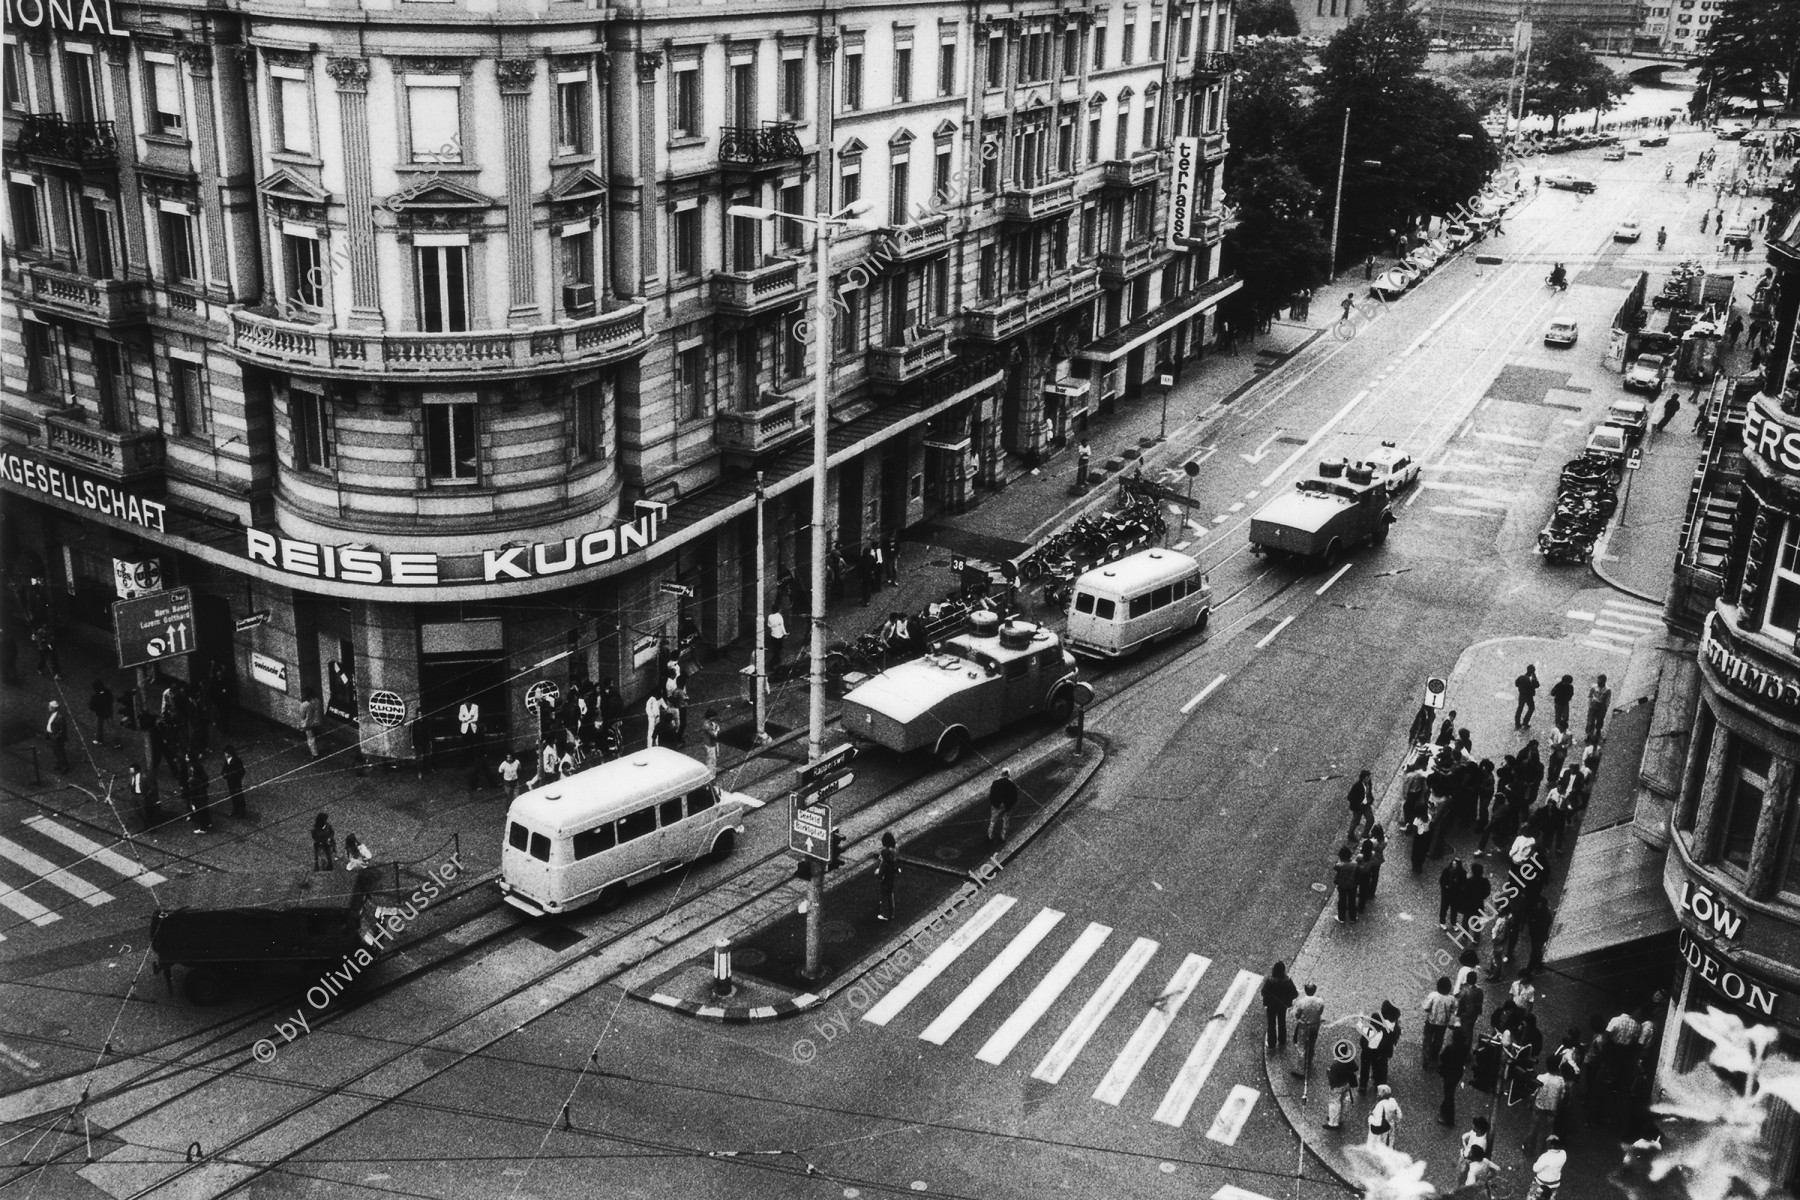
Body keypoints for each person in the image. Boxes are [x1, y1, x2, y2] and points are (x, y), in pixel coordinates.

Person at [1420, 977, 1457, 1069]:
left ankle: (1426, 1056)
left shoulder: (1433, 995)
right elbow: (1453, 1009)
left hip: (1431, 1021)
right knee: (1439, 1038)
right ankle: (1434, 1054)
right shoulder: (1451, 998)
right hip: (1443, 1023)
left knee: (1427, 1037)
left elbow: (1426, 1007)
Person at [1262, 962, 1299, 1050]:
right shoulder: (1288, 981)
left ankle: (1271, 1043)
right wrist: (1286, 999)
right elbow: (1295, 994)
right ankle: (1282, 1041)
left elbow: (1263, 992)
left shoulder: (1270, 981)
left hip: (1271, 1005)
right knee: (1282, 1022)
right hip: (1282, 1005)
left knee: (1271, 1024)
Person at [1292, 984, 1326, 1078]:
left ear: (1305, 990)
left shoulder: (1301, 1002)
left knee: (1301, 1046)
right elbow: (1320, 1012)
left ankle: (1300, 1070)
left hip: (1304, 1026)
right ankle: (1309, 1060)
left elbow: (1297, 1015)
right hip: (1315, 1025)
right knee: (1311, 1043)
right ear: (1315, 990)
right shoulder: (1320, 1001)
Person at [1438, 1031, 1470, 1126]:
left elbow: (1442, 1057)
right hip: (1457, 1073)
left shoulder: (1450, 1048)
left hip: (1449, 1073)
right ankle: (1443, 1109)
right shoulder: (1465, 1048)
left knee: (1449, 1095)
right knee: (1449, 1092)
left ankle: (1449, 1119)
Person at [1325, 1043, 1358, 1129]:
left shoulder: (1336, 1064)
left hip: (1337, 1086)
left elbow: (1332, 1077)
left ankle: (1333, 1122)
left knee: (1334, 1103)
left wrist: (1328, 1071)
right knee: (1342, 1102)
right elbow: (1356, 1068)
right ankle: (1339, 1118)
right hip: (1346, 1084)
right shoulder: (1349, 1059)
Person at [987, 767, 1018, 843]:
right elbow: (1014, 798)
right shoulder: (1012, 785)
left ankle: (990, 835)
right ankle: (1003, 836)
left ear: (1001, 774)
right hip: (1007, 807)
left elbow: (991, 795)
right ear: (1009, 775)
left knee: (993, 821)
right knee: (1006, 821)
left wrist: (994, 804)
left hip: (996, 805)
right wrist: (1008, 806)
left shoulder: (995, 783)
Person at [1366, 1083, 1402, 1150]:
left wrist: (1370, 1118)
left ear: (1382, 1094)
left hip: (1383, 1127)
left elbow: (1378, 1122)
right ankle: (1391, 1149)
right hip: (1391, 1124)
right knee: (1391, 1138)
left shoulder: (1380, 1105)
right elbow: (1399, 1114)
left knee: (1381, 1142)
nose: (1377, 1094)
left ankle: (1382, 1154)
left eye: (1378, 1092)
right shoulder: (1393, 1101)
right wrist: (1397, 1122)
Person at [876, 831, 900, 921]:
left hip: (885, 878)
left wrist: (877, 874)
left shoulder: (884, 863)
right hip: (891, 876)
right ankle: (891, 913)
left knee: (885, 895)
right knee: (890, 895)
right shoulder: (895, 848)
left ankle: (884, 914)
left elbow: (880, 874)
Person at [1346, 769, 1375, 842]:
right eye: (1368, 777)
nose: (1369, 778)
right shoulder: (1357, 786)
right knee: (1355, 822)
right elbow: (1350, 797)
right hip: (1358, 807)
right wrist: (1358, 804)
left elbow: (1368, 791)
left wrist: (1370, 798)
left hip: (1366, 804)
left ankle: (1365, 834)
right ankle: (1350, 834)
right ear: (1364, 778)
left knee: (1371, 819)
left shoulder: (1368, 783)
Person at [1333, 846, 1359, 923]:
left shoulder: (1338, 865)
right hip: (1352, 885)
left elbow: (1336, 876)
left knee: (1342, 901)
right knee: (1352, 901)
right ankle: (1353, 917)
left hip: (1342, 886)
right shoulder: (1355, 864)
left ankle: (1341, 917)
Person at [89, 679, 115, 747]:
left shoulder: (95, 696)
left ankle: (99, 740)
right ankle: (117, 743)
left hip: (101, 714)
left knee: (99, 727)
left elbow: (92, 706)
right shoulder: (107, 692)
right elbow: (111, 700)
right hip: (109, 712)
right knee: (112, 728)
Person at [1587, 674, 1613, 743]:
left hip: (1601, 705)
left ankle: (1598, 731)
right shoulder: (1594, 686)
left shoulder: (1607, 689)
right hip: (1594, 704)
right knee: (1590, 720)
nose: (1598, 682)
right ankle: (1589, 735)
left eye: (1600, 681)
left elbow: (1608, 699)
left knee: (1600, 720)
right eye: (1598, 680)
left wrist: (1606, 707)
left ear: (1604, 681)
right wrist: (1590, 704)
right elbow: (1590, 695)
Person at [45, 699, 69, 774]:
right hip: (53, 736)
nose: (48, 707)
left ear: (54, 708)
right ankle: (60, 763)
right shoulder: (54, 715)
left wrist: (56, 737)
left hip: (56, 738)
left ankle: (64, 767)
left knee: (60, 752)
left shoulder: (59, 717)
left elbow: (62, 730)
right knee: (56, 751)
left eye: (50, 706)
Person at [222, 747, 247, 817]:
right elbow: (224, 769)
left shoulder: (237, 761)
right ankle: (235, 809)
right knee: (233, 796)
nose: (225, 754)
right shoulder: (226, 760)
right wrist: (224, 774)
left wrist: (235, 775)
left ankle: (242, 811)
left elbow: (242, 771)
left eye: (227, 753)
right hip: (230, 781)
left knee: (239, 796)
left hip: (236, 781)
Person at [299, 691, 324, 758]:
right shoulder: (317, 701)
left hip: (309, 724)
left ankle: (314, 753)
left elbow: (302, 715)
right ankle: (318, 750)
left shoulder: (304, 705)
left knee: (310, 738)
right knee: (317, 736)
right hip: (318, 721)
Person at [1514, 665, 1539, 729]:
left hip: (1522, 695)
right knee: (1531, 708)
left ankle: (1517, 724)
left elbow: (1516, 684)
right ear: (1533, 671)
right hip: (1529, 696)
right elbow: (1536, 685)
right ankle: (1525, 722)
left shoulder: (1521, 677)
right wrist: (1535, 678)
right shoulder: (1532, 679)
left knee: (1520, 708)